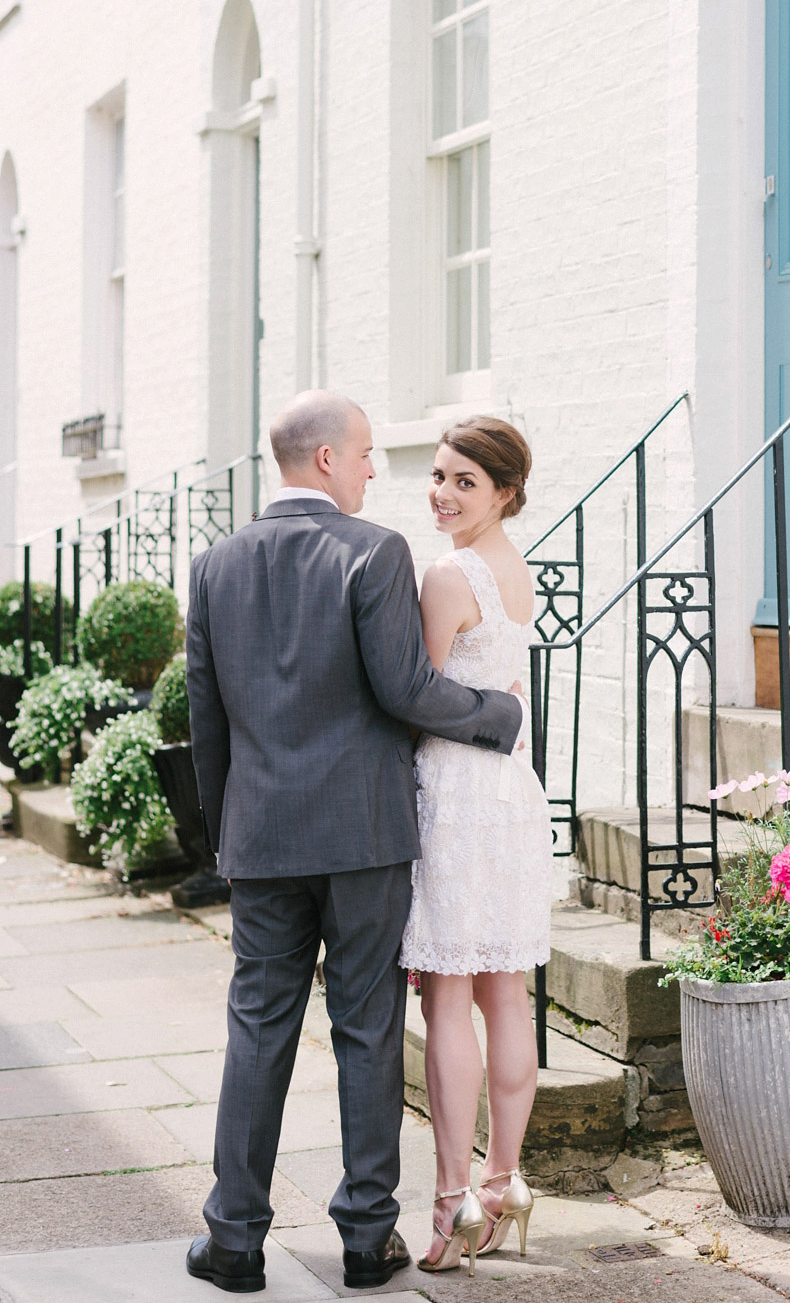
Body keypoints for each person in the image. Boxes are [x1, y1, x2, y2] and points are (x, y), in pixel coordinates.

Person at [184, 391, 526, 1295]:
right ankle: (368, 1237)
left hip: (261, 839)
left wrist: (229, 838)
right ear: (328, 459)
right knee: (367, 1028)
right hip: (366, 836)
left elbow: (205, 722)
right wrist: (499, 714)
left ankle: (233, 1239)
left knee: (258, 1026)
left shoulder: (216, 563)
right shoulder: (373, 553)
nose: (379, 468)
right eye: (369, 452)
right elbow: (406, 689)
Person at [401, 416, 553, 1275]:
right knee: (508, 995)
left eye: (465, 481)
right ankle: (506, 1183)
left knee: (447, 1001)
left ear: (504, 493)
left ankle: (453, 1200)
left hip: (456, 796)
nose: (443, 494)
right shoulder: (513, 568)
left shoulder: (449, 573)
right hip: (508, 792)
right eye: (437, 476)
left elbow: (416, 695)